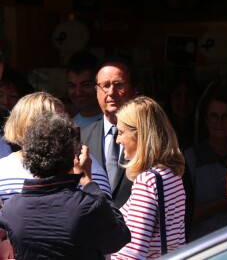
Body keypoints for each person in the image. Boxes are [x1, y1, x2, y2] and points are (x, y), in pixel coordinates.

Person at [0, 111, 131, 259]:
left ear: (28, 156)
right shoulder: (88, 206)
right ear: (72, 156)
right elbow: (119, 238)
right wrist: (88, 181)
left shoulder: (11, 210)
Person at [0, 91, 111, 203]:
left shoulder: (83, 162)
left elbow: (105, 212)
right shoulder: (3, 170)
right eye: (50, 123)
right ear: (23, 126)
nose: (62, 129)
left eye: (63, 121)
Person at [111, 96, 186, 259]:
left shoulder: (147, 181)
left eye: (121, 132)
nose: (117, 140)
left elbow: (132, 252)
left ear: (140, 135)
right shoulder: (173, 175)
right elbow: (179, 241)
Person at [184, 85, 227, 241]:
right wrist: (225, 204)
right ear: (206, 119)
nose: (219, 122)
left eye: (226, 116)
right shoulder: (192, 158)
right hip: (201, 247)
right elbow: (183, 217)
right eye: (214, 116)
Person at [81, 57, 138, 208]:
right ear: (96, 91)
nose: (111, 92)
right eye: (105, 86)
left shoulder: (149, 138)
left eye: (118, 85)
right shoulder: (81, 138)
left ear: (134, 90)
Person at [66, 49, 103, 128]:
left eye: (86, 85)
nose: (78, 92)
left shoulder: (115, 124)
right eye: (72, 86)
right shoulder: (69, 127)